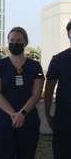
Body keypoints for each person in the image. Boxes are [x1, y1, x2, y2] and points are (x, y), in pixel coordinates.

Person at [0, 27, 44, 159]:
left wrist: (22, 114)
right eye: (12, 40)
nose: (15, 43)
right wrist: (14, 114)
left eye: (19, 40)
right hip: (4, 120)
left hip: (28, 120)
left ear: (25, 43)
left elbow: (36, 94)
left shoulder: (35, 66)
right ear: (8, 41)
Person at [44, 20, 71, 159]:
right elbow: (48, 90)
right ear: (68, 34)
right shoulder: (58, 59)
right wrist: (47, 114)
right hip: (63, 120)